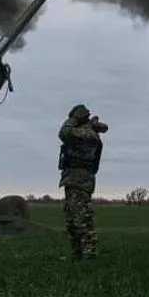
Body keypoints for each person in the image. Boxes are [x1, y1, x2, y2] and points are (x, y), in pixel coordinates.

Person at [58, 104, 108, 260]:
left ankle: (89, 254)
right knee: (73, 219)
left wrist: (73, 119)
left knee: (82, 218)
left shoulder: (87, 134)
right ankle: (78, 253)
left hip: (80, 180)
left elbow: (64, 133)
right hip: (73, 179)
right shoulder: (86, 131)